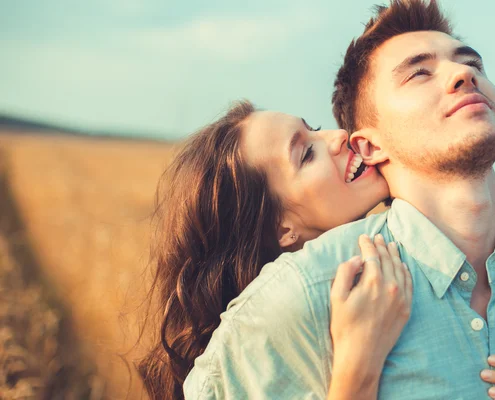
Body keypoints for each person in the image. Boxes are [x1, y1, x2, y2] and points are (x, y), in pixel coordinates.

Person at [183, 0, 495, 399]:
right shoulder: (306, 293)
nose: (462, 74)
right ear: (368, 146)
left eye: (472, 63)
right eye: (419, 73)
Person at [137, 100, 415, 399]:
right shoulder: (254, 352)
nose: (339, 136)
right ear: (282, 228)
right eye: (307, 154)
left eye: (315, 130)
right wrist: (358, 361)